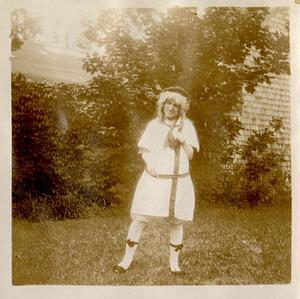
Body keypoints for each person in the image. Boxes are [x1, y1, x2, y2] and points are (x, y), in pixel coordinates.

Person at [113, 86, 199, 275]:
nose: (171, 107)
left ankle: (174, 264)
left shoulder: (187, 126)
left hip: (177, 182)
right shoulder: (154, 125)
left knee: (176, 222)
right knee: (140, 219)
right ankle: (125, 260)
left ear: (181, 108)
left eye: (175, 105)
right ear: (163, 105)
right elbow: (144, 149)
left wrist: (183, 139)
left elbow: (191, 155)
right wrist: (149, 163)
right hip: (155, 179)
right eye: (168, 103)